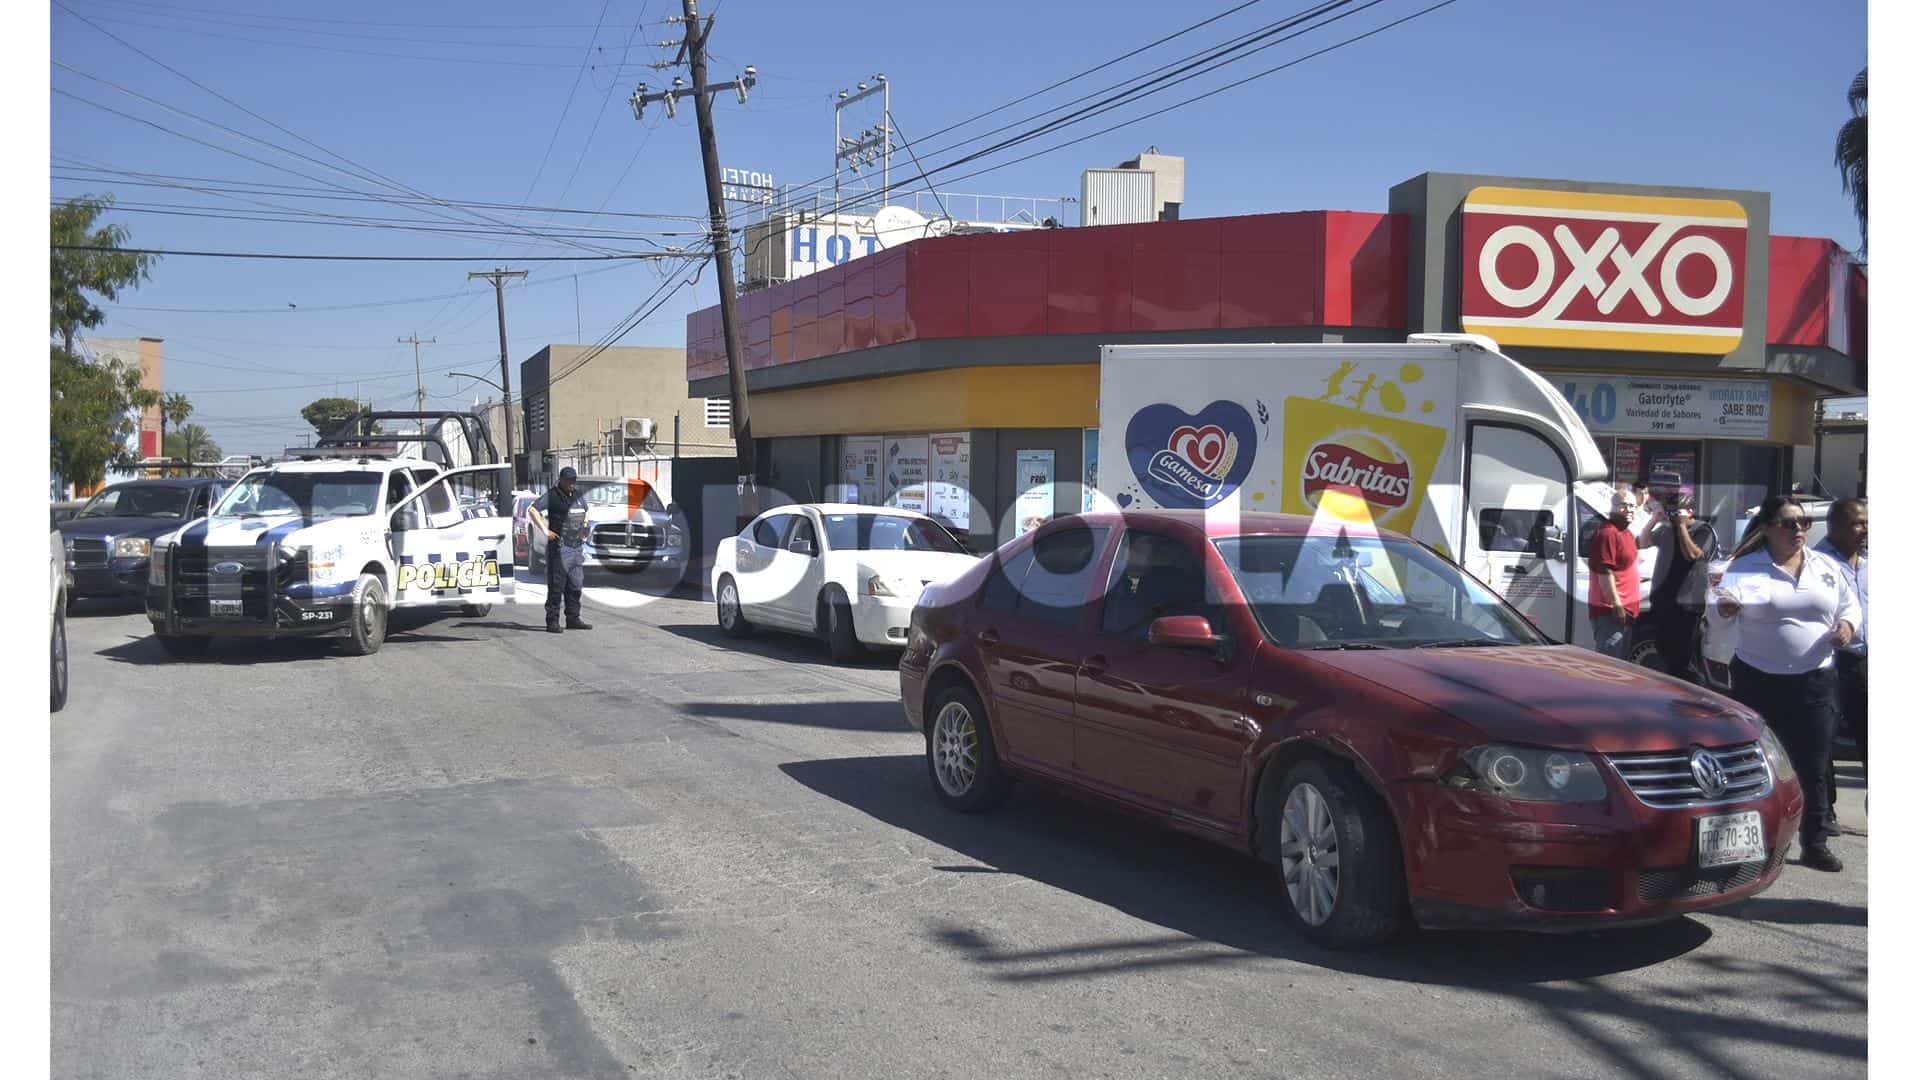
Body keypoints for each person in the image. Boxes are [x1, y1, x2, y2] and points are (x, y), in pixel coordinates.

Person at [1710, 494, 1858, 872]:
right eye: (1789, 523)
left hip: (1815, 680)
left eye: (1804, 523)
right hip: (1759, 679)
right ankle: (1753, 843)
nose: (1798, 530)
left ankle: (1815, 841)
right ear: (1768, 528)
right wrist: (1725, 608)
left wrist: (1846, 626)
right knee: (1756, 765)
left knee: (1814, 764)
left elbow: (1849, 605)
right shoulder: (1749, 567)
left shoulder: (1825, 566)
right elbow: (1721, 609)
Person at [1814, 498, 1867, 785]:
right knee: (1824, 738)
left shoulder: (1871, 562)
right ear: (1834, 527)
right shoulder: (1816, 563)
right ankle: (1825, 811)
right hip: (1829, 662)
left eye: (1867, 522)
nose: (1865, 529)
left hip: (1864, 662)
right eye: (1857, 523)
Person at [1648, 494, 1717, 679]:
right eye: (1670, 512)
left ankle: (1695, 693)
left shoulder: (1703, 530)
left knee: (1686, 658)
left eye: (1676, 512)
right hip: (1664, 601)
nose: (1673, 516)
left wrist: (1681, 526)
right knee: (1664, 650)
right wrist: (1655, 519)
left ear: (1691, 512)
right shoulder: (1666, 529)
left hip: (1687, 605)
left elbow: (1692, 555)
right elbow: (1643, 541)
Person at [525, 467, 593, 634]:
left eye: (574, 480)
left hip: (576, 547)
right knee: (557, 586)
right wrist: (545, 530)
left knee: (575, 585)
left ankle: (573, 618)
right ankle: (552, 621)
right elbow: (533, 510)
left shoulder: (577, 495)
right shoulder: (552, 496)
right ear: (561, 480)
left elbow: (587, 510)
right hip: (560, 547)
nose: (572, 483)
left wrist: (585, 525)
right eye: (569, 480)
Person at [1587, 489, 1639, 660]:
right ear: (1614, 507)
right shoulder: (1608, 533)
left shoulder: (1626, 532)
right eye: (1624, 505)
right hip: (1610, 613)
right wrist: (1616, 605)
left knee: (1621, 668)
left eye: (1633, 506)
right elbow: (1604, 571)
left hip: (1626, 612)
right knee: (1609, 668)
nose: (1630, 509)